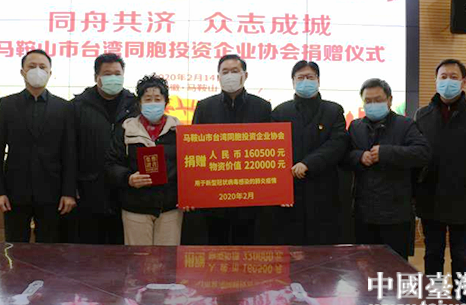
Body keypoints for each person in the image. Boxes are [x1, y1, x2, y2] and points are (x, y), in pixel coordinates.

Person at [414, 59, 466, 304]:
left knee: (462, 254)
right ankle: (434, 297)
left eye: (453, 76)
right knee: (433, 253)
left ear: (463, 81)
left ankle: (462, 300)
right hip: (430, 196)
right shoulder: (422, 114)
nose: (447, 81)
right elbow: (417, 157)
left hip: (465, 197)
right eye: (443, 76)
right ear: (436, 80)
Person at [0, 49, 77, 243]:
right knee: (14, 248)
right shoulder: (6, 105)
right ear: (22, 72)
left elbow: (69, 153)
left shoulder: (64, 107)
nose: (38, 70)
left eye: (42, 67)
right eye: (32, 66)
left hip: (53, 194)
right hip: (14, 193)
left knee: (50, 249)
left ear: (50, 73)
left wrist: (69, 192)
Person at [186, 54, 272, 246]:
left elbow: (270, 152)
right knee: (216, 250)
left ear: (245, 75)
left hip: (250, 195)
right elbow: (193, 151)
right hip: (214, 195)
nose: (230, 76)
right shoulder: (204, 107)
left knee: (247, 249)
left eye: (235, 71)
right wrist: (191, 192)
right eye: (225, 72)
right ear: (218, 77)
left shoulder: (262, 107)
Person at [346, 78, 430, 260]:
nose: (372, 105)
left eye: (378, 100)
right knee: (364, 266)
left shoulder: (405, 125)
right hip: (364, 212)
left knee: (394, 266)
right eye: (368, 101)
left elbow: (423, 153)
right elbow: (344, 156)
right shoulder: (355, 126)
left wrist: (386, 152)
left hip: (395, 213)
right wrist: (359, 156)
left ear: (390, 100)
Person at [271, 60, 349, 245]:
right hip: (290, 190)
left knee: (322, 247)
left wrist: (308, 163)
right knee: (292, 249)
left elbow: (337, 144)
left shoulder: (334, 110)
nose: (305, 81)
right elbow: (273, 150)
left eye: (310, 77)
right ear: (293, 82)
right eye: (300, 77)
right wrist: (280, 188)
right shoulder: (280, 112)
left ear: (318, 80)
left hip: (323, 188)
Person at [105, 74, 182, 246]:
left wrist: (189, 196)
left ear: (166, 102)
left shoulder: (178, 131)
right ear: (139, 103)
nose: (153, 103)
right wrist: (128, 178)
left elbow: (188, 167)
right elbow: (111, 164)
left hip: (169, 208)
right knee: (138, 258)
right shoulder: (126, 129)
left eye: (158, 99)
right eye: (148, 99)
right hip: (135, 207)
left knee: (167, 259)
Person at [72, 53, 137, 245]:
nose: (113, 78)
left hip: (125, 189)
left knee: (121, 249)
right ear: (96, 77)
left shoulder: (135, 105)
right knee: (90, 250)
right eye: (107, 74)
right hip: (89, 189)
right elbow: (70, 150)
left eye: (117, 74)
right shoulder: (78, 106)